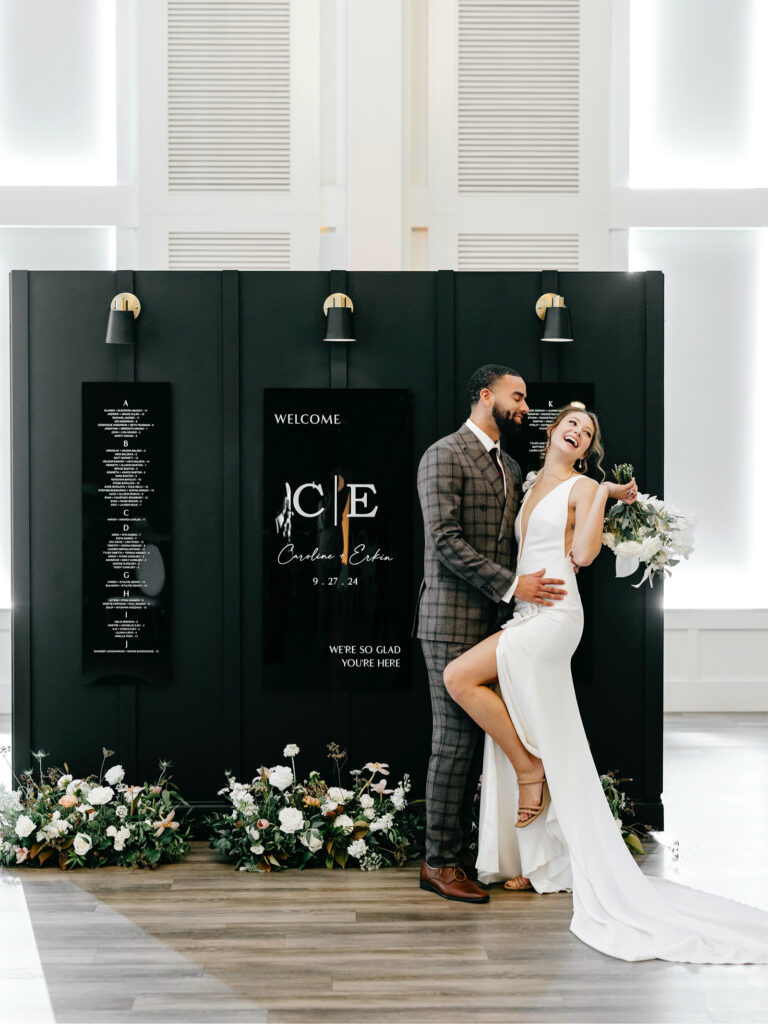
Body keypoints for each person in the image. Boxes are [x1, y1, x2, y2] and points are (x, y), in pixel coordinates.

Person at [443, 404, 768, 962]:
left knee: (459, 676)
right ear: (553, 431)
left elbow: (584, 555)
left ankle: (530, 769)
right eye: (572, 424)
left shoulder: (581, 486)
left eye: (588, 431)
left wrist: (600, 495)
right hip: (525, 613)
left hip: (554, 614)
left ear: (588, 447)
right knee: (527, 716)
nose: (578, 431)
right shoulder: (526, 480)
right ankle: (534, 859)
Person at [414, 365, 568, 904]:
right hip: (449, 621)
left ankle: (482, 856)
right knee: (453, 744)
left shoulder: (509, 464)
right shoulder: (443, 453)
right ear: (486, 396)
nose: (525, 405)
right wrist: (514, 586)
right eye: (517, 395)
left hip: (500, 627)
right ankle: (438, 863)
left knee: (483, 747)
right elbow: (444, 539)